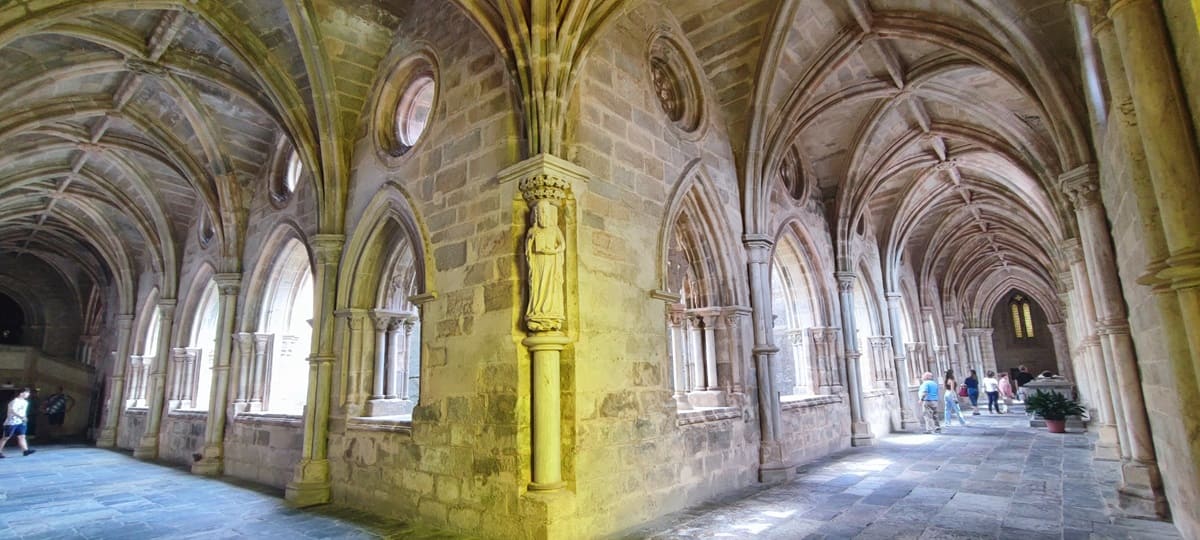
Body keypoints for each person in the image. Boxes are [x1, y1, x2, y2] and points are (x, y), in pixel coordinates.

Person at [0, 388, 37, 457]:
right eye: (27, 393)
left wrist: (24, 417)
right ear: (21, 393)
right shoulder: (14, 401)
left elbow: (23, 411)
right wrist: (21, 416)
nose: (28, 394)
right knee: (6, 437)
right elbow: (13, 411)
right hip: (11, 422)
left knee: (22, 436)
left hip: (21, 422)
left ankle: (25, 450)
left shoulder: (25, 402)